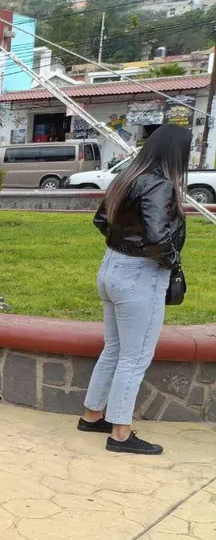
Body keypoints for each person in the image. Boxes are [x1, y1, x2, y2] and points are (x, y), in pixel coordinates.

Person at [79, 124, 189, 456]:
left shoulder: (128, 177)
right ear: (174, 153)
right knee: (135, 355)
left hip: (111, 266)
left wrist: (126, 243)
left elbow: (102, 221)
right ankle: (121, 434)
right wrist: (173, 263)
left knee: (114, 348)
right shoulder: (160, 185)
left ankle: (92, 414)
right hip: (139, 274)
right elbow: (157, 239)